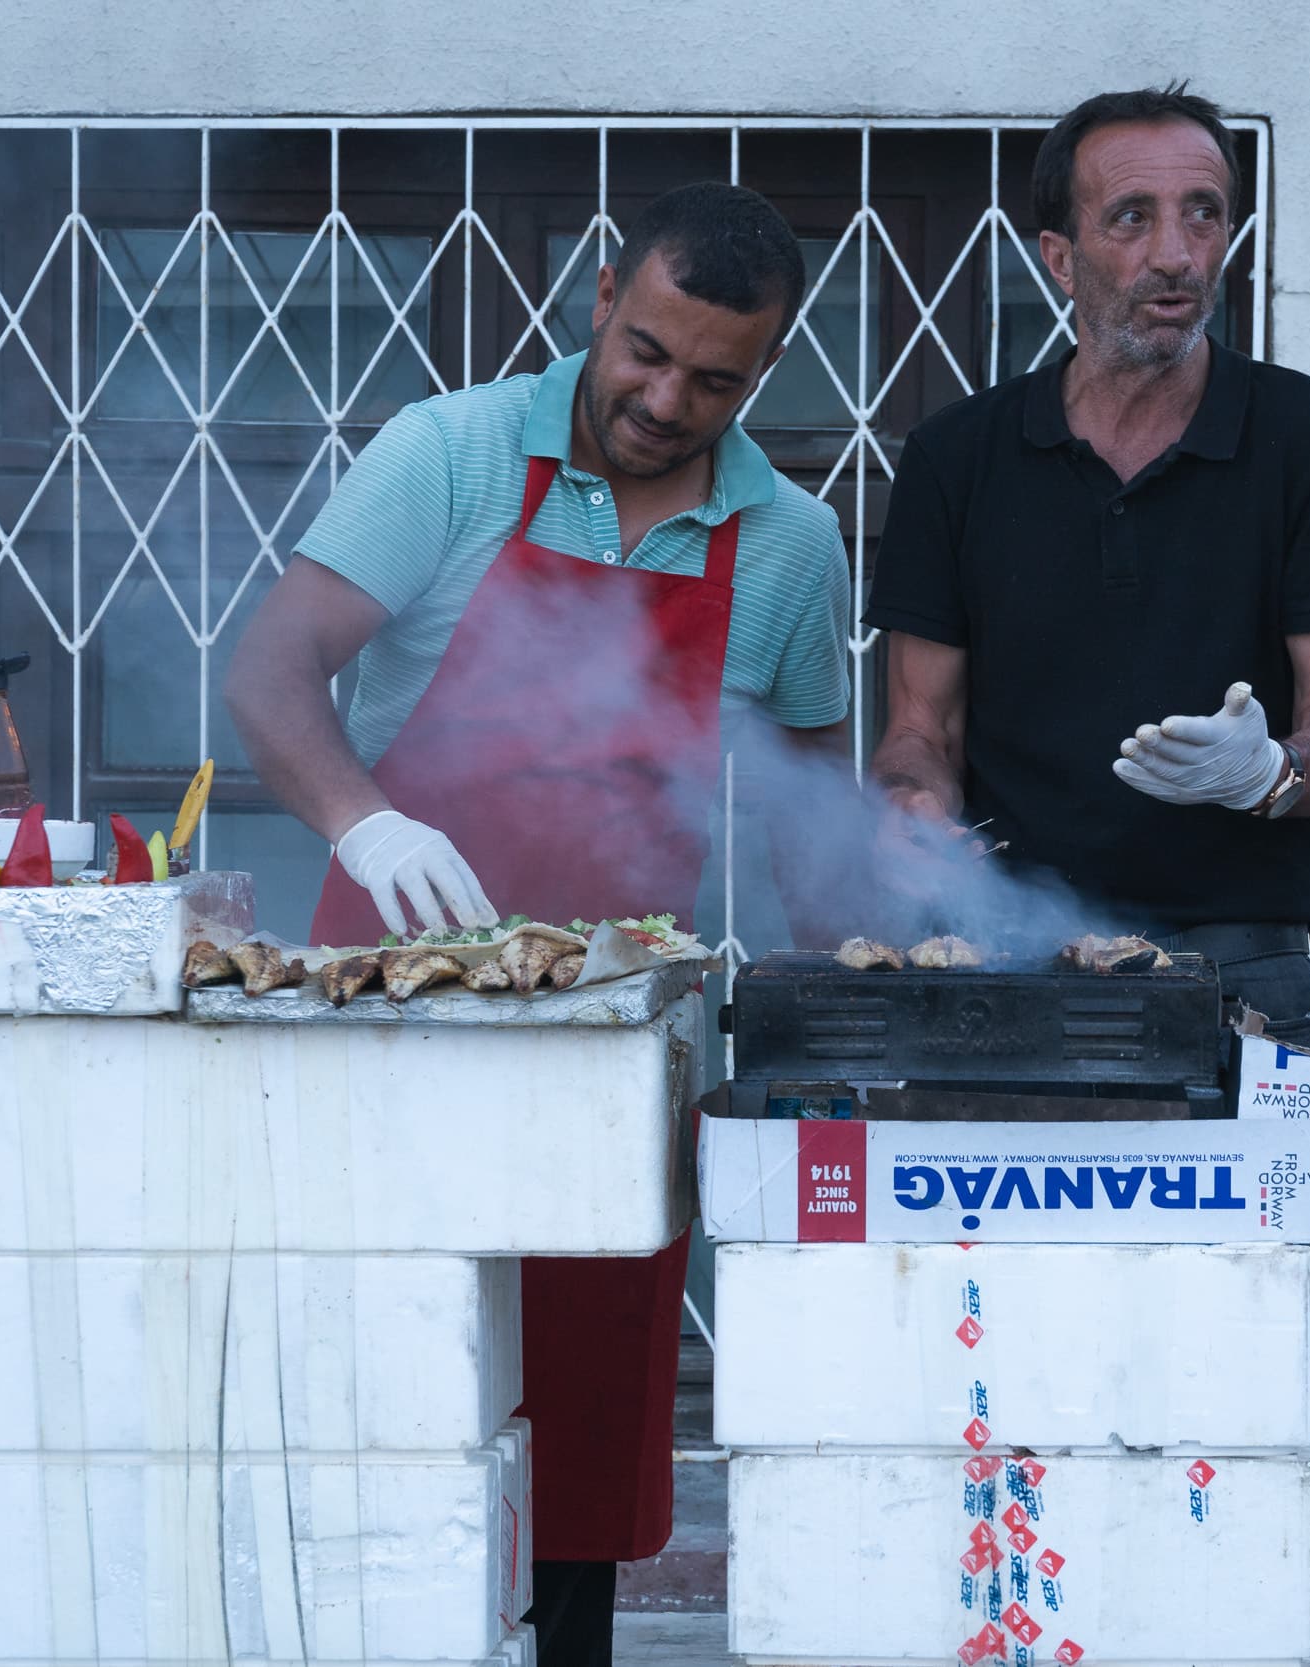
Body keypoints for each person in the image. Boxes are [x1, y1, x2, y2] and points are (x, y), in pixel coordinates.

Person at [226, 181, 851, 1667]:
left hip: (607, 1042)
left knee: (572, 1405)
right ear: (600, 296)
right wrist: (364, 819)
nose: (663, 396)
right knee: (367, 1370)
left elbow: (813, 808)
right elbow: (269, 673)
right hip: (392, 1003)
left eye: (716, 378)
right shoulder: (446, 454)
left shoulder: (790, 544)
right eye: (646, 349)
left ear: (766, 372)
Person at [866, 85, 1310, 1046]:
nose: (1176, 253)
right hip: (1001, 951)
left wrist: (1269, 773)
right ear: (1060, 260)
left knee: (1245, 1207)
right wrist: (910, 809)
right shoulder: (957, 456)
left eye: (1204, 213)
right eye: (1132, 218)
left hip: (1240, 964)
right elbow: (920, 726)